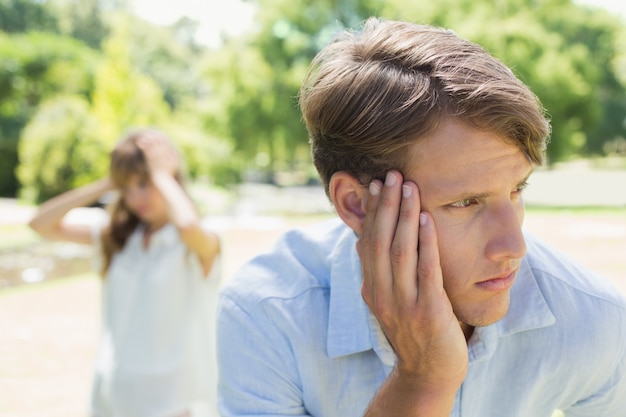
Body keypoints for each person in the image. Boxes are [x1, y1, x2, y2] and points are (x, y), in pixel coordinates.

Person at [216, 17, 626, 416]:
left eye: (518, 189)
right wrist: (423, 379)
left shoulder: (592, 316)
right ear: (357, 205)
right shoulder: (268, 315)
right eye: (466, 203)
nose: (514, 246)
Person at [29, 128, 222, 417]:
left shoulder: (199, 242)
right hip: (115, 393)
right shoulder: (117, 237)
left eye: (144, 183)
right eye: (127, 188)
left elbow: (187, 225)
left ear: (169, 178)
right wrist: (107, 182)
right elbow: (40, 224)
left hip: (176, 400)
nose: (136, 197)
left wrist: (162, 174)